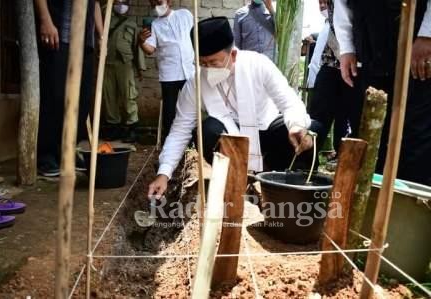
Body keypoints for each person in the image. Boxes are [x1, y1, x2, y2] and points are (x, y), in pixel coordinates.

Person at [148, 17, 318, 198]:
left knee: (310, 130)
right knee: (207, 130)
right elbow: (180, 129)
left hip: (264, 132)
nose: (208, 68)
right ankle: (237, 184)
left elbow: (289, 101)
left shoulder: (258, 64)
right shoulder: (196, 83)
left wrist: (296, 125)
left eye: (214, 63)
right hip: (231, 141)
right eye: (202, 63)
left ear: (233, 55)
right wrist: (164, 173)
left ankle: (290, 190)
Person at [334, 0, 431, 185]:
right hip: (370, 47)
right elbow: (342, 4)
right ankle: (372, 202)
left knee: (415, 136)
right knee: (371, 133)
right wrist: (347, 48)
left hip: (415, 44)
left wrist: (428, 35)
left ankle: (409, 206)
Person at [34, 0, 103, 177]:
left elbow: (94, 4)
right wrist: (46, 20)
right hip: (59, 34)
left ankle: (66, 151)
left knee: (82, 99)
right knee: (55, 96)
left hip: (85, 41)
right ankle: (46, 154)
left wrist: (101, 35)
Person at [307, 0, 364, 153]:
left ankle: (350, 166)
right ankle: (306, 165)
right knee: (316, 120)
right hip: (331, 66)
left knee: (355, 123)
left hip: (358, 68)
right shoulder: (329, 18)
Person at [138, 0, 195, 142]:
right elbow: (150, 49)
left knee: (192, 106)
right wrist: (141, 42)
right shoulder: (155, 25)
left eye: (159, 2)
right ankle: (170, 141)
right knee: (169, 111)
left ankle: (193, 141)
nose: (156, 7)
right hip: (169, 73)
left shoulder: (185, 15)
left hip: (189, 70)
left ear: (169, 1)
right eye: (153, 4)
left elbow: (195, 35)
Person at [102, 1, 146, 143]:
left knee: (128, 95)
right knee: (109, 97)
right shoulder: (105, 17)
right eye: (117, 2)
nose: (121, 5)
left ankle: (132, 128)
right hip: (107, 63)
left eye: (124, 2)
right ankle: (113, 127)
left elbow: (136, 47)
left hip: (125, 64)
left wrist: (140, 68)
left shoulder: (132, 24)